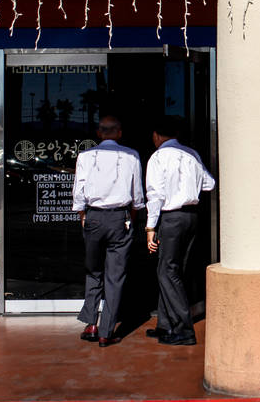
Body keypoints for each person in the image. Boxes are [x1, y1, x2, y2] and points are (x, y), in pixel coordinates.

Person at [72, 115, 144, 347]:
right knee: (115, 276)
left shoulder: (85, 156)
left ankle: (91, 323)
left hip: (93, 216)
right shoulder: (132, 155)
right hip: (119, 218)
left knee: (93, 270)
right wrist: (129, 219)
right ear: (119, 133)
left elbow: (78, 191)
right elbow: (137, 196)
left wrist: (84, 217)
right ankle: (106, 330)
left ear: (99, 133)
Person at [145, 115, 215, 346]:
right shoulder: (192, 154)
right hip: (191, 217)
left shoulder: (158, 157)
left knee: (167, 271)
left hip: (171, 218)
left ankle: (184, 329)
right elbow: (209, 184)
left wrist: (150, 227)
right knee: (174, 270)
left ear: (156, 136)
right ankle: (165, 325)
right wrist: (188, 187)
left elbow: (155, 195)